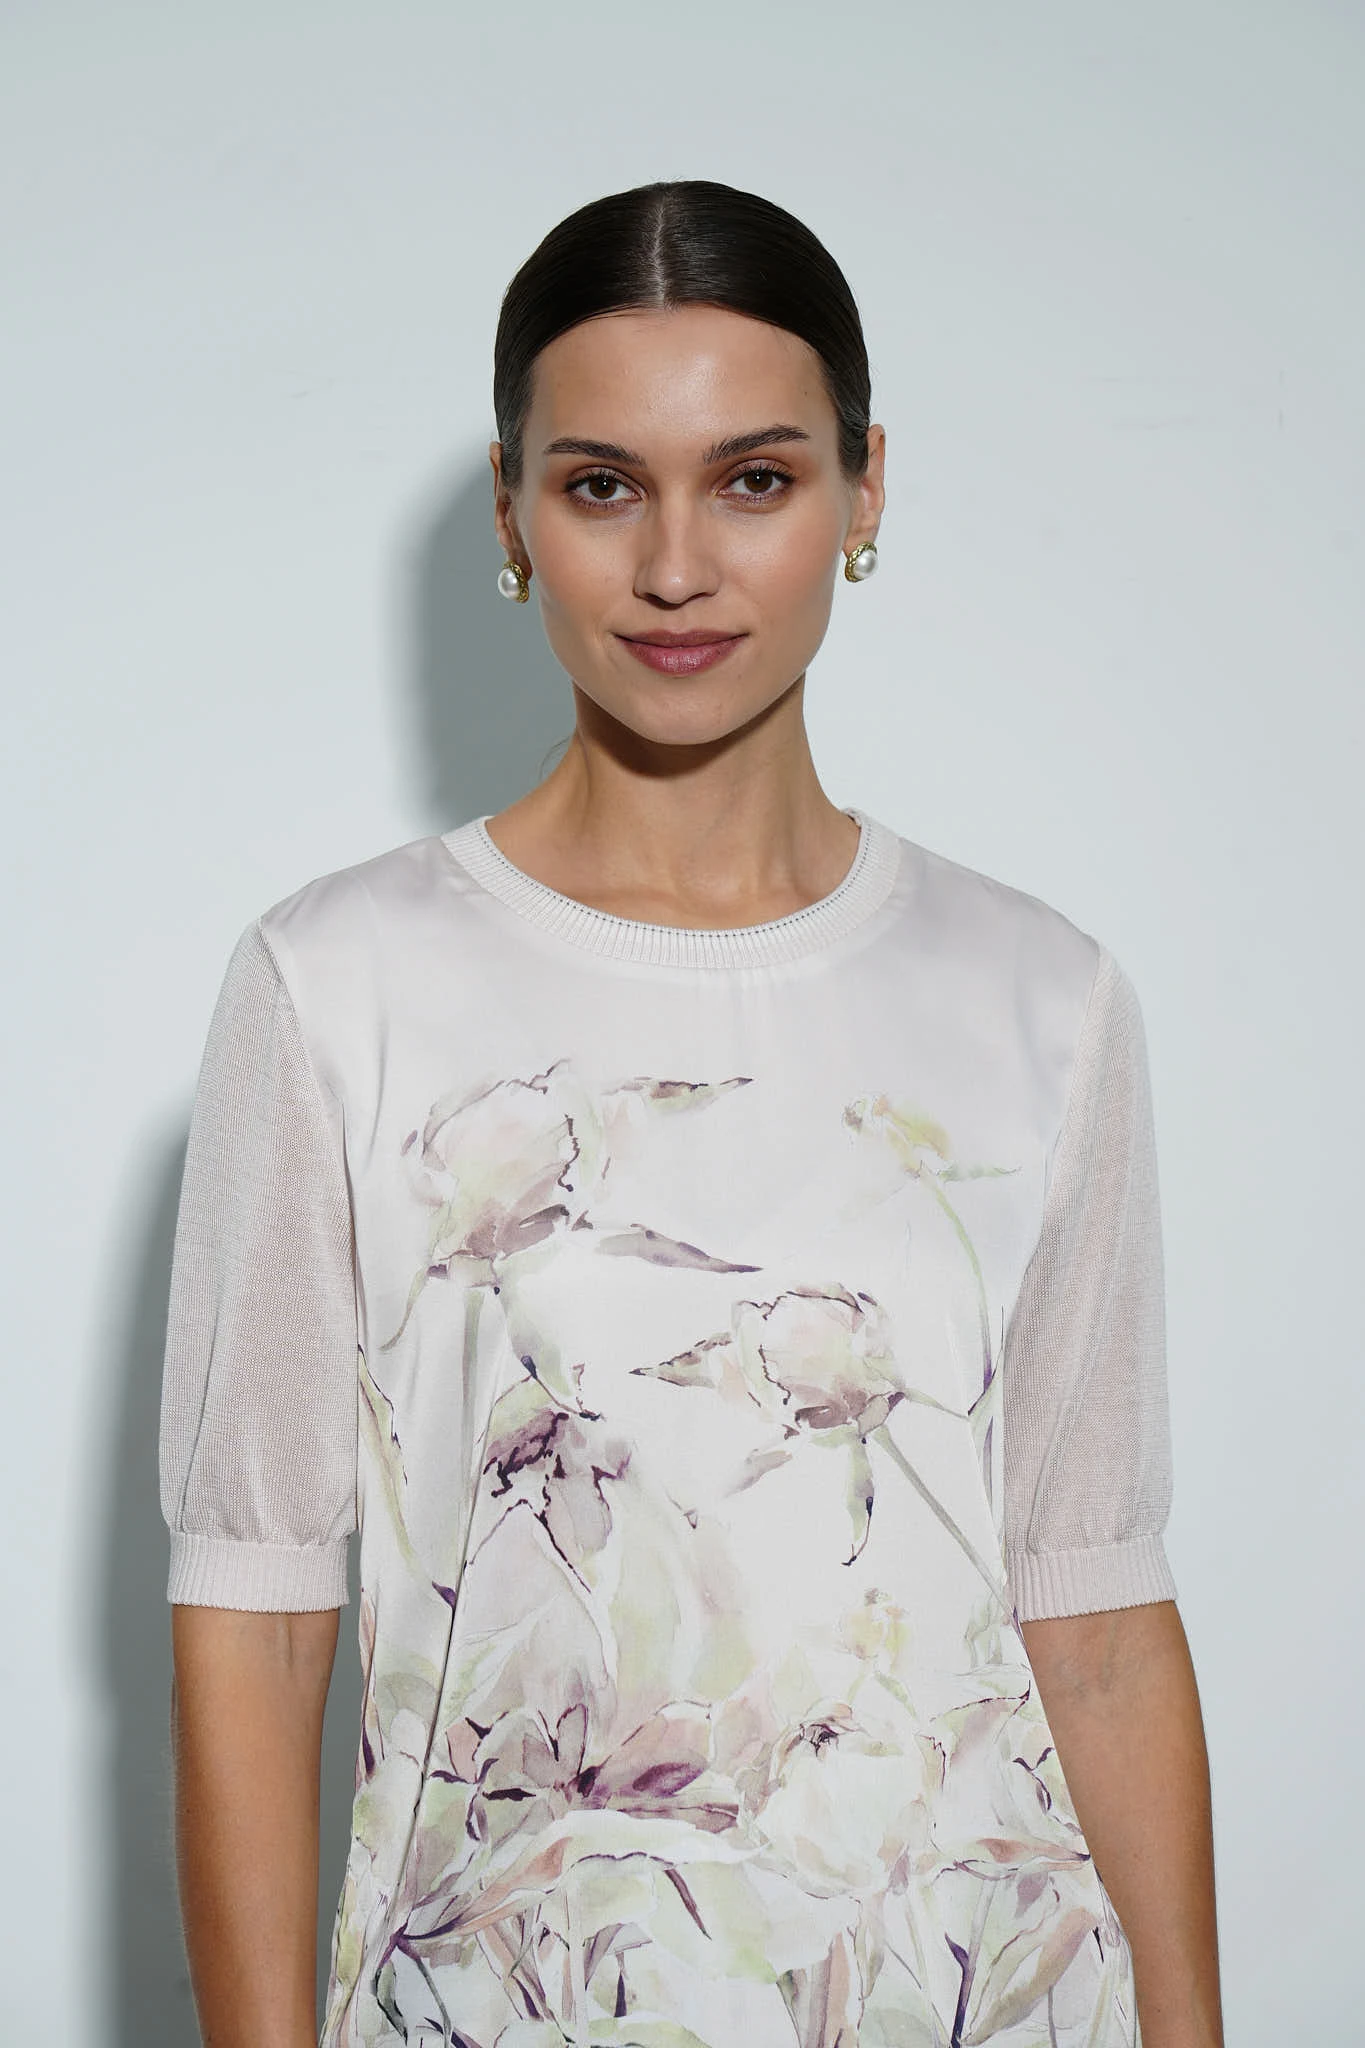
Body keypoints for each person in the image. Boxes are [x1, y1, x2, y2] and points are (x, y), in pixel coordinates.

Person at [159, 178, 1223, 2048]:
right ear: (512, 513)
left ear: (864, 492)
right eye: (600, 485)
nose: (676, 567)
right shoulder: (334, 986)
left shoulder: (1042, 1000)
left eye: (754, 479)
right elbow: (253, 1622)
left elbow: (1102, 1618)